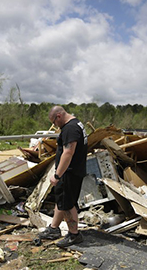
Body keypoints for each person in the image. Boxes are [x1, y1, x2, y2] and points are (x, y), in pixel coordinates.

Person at [38, 105, 88, 247]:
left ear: (59, 116)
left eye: (54, 122)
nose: (54, 125)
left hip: (69, 172)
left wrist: (57, 175)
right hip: (73, 170)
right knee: (62, 200)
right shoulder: (76, 123)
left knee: (67, 204)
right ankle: (54, 229)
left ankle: (74, 235)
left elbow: (68, 153)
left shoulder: (70, 129)